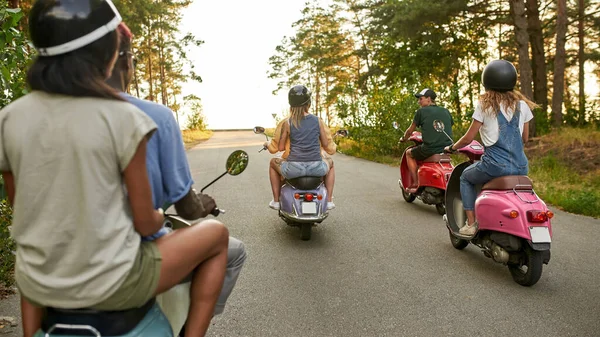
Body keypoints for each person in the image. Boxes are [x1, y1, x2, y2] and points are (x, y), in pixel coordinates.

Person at [0, 1, 228, 336]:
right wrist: (157, 223)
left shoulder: (9, 118)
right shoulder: (125, 117)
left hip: (41, 282)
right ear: (105, 54)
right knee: (217, 236)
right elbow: (144, 219)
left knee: (33, 261)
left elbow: (23, 210)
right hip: (116, 283)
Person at [106, 22, 246, 318]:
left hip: (61, 266)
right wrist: (201, 204)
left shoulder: (44, 119)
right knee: (229, 247)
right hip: (131, 263)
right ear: (125, 60)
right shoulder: (154, 116)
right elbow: (182, 208)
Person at [444, 59, 536, 236]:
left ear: (487, 82)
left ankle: (471, 224)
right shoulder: (522, 106)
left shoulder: (485, 106)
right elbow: (525, 138)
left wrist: (453, 147)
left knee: (465, 177)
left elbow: (469, 138)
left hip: (494, 165)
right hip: (521, 166)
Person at [265, 85, 336, 210]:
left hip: (293, 169)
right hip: (316, 168)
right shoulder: (317, 121)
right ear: (308, 104)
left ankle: (276, 201)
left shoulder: (287, 123)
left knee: (272, 163)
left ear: (291, 105)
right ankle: (329, 200)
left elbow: (280, 148)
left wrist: (268, 144)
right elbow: (326, 145)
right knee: (331, 163)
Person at [400, 88, 454, 188]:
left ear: (429, 99)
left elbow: (410, 131)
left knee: (409, 154)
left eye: (421, 99)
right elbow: (446, 127)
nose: (418, 101)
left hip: (430, 149)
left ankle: (416, 182)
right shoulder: (446, 111)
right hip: (447, 149)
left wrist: (404, 138)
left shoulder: (421, 112)